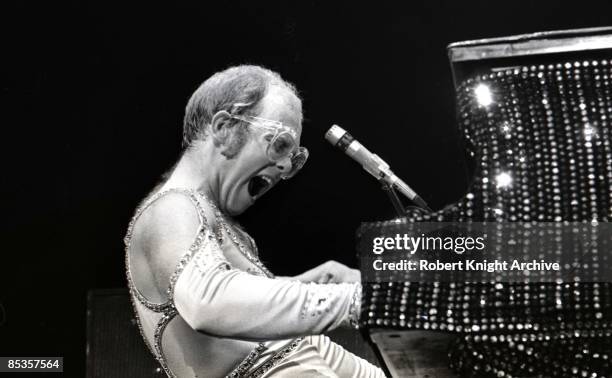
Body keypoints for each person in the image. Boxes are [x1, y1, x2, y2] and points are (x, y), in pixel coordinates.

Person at [124, 65, 386, 377]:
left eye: (296, 157)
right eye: (280, 144)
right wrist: (358, 300)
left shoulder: (213, 219)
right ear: (224, 129)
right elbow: (211, 301)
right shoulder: (170, 209)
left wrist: (308, 284)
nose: (286, 166)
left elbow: (256, 327)